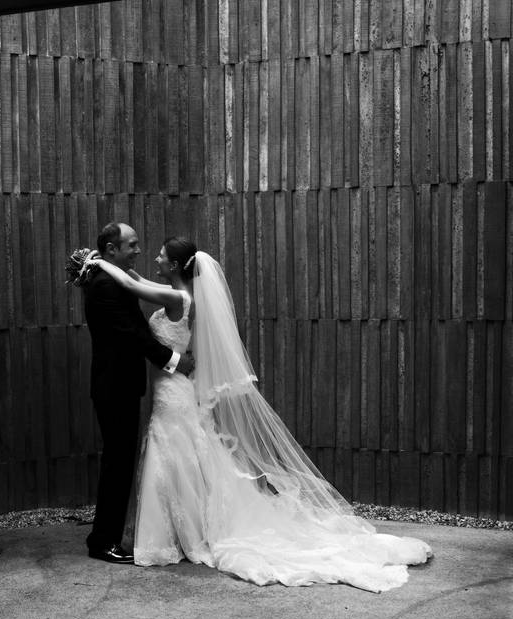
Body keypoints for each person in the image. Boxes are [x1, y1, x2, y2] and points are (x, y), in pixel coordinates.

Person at [86, 237, 433, 592]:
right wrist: (107, 264)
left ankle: (179, 532)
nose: (153, 256)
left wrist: (96, 262)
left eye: (161, 254)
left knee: (175, 454)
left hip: (173, 391)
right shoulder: (181, 292)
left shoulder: (178, 298)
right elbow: (137, 280)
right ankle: (183, 526)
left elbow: (131, 284)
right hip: (173, 388)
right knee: (184, 456)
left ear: (175, 266)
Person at [83, 222, 194, 564]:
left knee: (121, 461)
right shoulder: (105, 285)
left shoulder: (112, 278)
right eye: (131, 244)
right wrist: (176, 360)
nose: (139, 251)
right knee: (117, 462)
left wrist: (98, 261)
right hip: (115, 387)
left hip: (122, 386)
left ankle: (111, 534)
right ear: (112, 248)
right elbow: (134, 334)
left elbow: (133, 282)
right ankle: (103, 541)